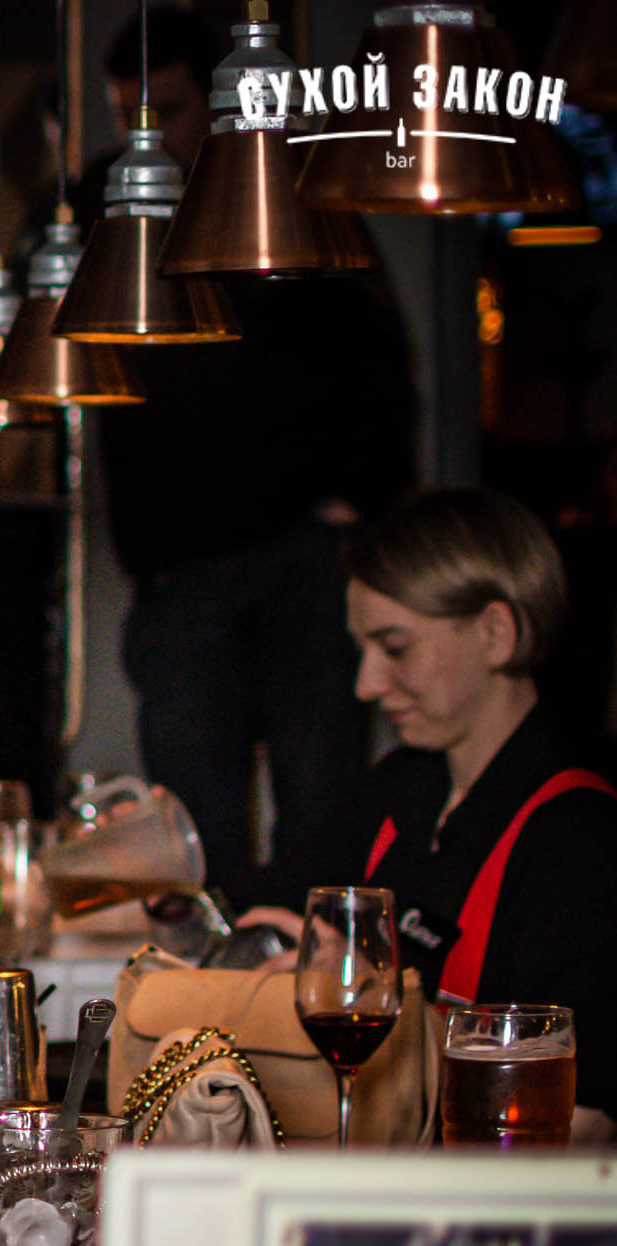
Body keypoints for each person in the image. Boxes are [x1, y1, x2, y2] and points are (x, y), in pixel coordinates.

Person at [84, 7, 418, 910]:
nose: (149, 134)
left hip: (300, 556)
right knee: (195, 835)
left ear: (217, 105)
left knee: (323, 812)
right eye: (128, 116)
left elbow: (379, 352)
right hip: (178, 571)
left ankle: (318, 989)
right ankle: (212, 998)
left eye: (169, 110)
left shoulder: (291, 193)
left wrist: (368, 498)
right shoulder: (114, 204)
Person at [240, 488, 617, 1116]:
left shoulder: (578, 837)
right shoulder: (404, 788)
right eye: (362, 651)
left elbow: (583, 1119)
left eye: (395, 648)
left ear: (495, 633)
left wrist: (381, 1000)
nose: (366, 685)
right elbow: (266, 904)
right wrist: (171, 894)